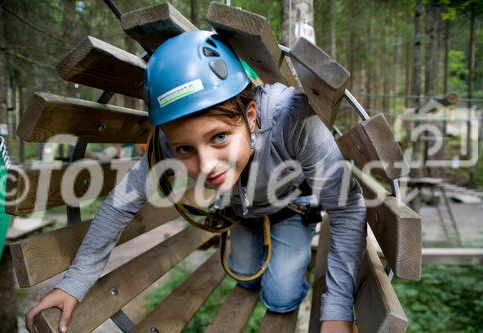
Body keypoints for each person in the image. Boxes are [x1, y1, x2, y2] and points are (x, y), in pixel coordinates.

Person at [25, 30, 366, 333]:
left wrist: (336, 310)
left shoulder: (293, 119)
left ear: (249, 115)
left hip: (290, 206)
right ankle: (254, 238)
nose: (205, 166)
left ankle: (288, 249)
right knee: (243, 276)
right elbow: (120, 204)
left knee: (280, 299)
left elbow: (347, 207)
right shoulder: (166, 138)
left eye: (219, 138)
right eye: (185, 149)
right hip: (242, 211)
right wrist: (74, 283)